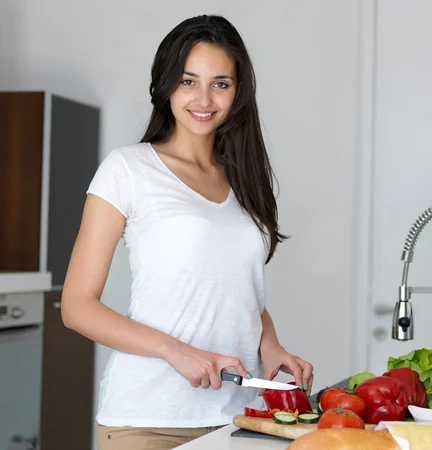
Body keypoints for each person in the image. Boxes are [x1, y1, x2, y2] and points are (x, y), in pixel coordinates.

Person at [61, 14, 314, 450]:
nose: (204, 98)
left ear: (238, 91)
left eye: (221, 83)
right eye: (187, 80)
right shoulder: (127, 169)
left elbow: (242, 292)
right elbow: (77, 307)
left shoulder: (244, 178)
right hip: (146, 419)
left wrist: (270, 345)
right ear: (165, 85)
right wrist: (176, 351)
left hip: (236, 417)